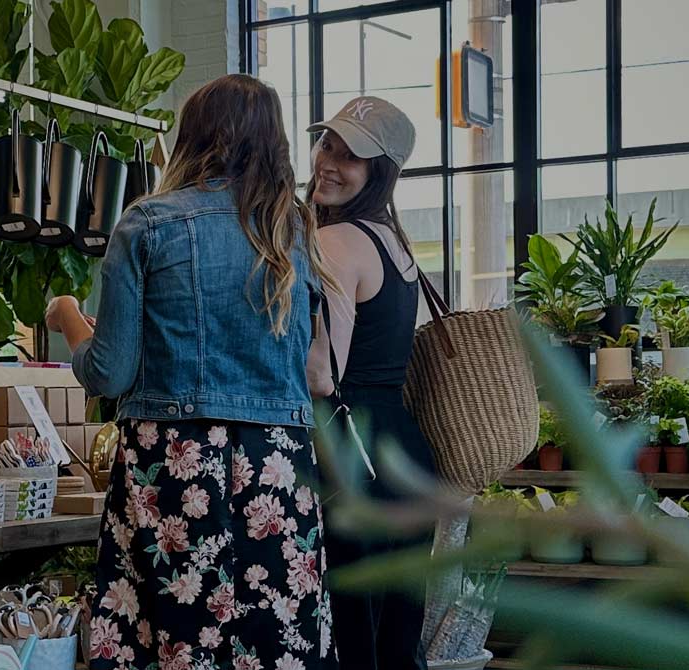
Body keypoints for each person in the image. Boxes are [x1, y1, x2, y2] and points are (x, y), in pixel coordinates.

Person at [45, 74, 338, 670]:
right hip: (275, 462)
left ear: (193, 136)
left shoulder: (148, 224)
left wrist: (70, 319)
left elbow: (108, 372)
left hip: (174, 460)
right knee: (276, 638)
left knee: (172, 633)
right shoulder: (294, 232)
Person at [304, 95, 435, 670]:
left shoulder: (337, 242)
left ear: (380, 171)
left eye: (350, 155)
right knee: (396, 640)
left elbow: (321, 372)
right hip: (403, 454)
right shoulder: (394, 242)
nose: (327, 162)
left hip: (353, 456)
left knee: (353, 638)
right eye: (326, 143)